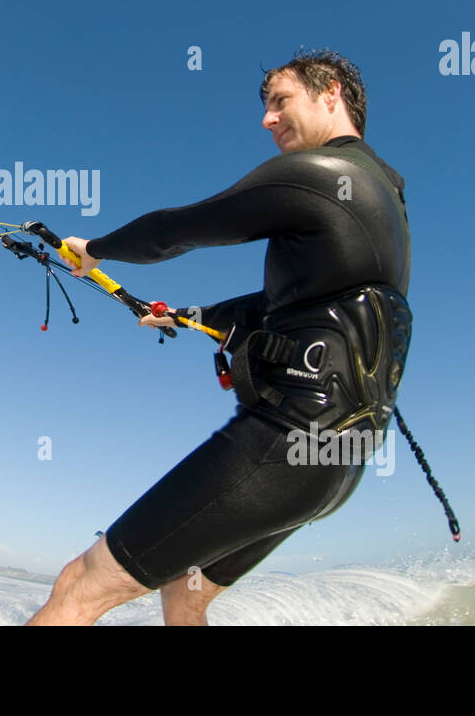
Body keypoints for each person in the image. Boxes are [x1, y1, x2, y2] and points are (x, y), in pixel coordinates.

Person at [25, 49, 412, 626]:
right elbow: (283, 308)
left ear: (330, 92)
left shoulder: (319, 177)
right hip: (341, 458)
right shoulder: (384, 196)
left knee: (81, 585)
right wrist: (183, 315)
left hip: (288, 439)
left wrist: (93, 250)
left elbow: (177, 231)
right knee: (187, 591)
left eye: (280, 102)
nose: (267, 120)